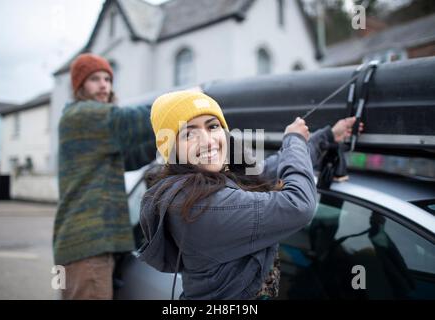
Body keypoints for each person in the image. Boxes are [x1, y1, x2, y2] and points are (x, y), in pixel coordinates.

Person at [138, 90, 361, 300]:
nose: (207, 141)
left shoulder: (210, 179)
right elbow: (299, 205)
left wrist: (326, 137)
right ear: (172, 149)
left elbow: (265, 172)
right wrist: (295, 141)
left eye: (213, 126)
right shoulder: (200, 205)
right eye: (189, 133)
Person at [53, 53, 156, 300]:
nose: (104, 85)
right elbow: (131, 121)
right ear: (79, 86)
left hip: (75, 247)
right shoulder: (82, 115)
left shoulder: (96, 131)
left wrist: (171, 140)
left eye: (108, 79)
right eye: (94, 79)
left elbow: (131, 156)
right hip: (88, 248)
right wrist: (186, 102)